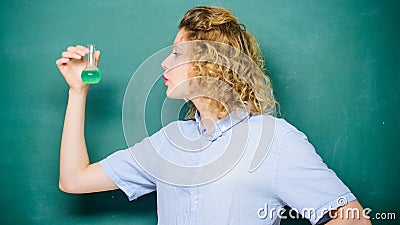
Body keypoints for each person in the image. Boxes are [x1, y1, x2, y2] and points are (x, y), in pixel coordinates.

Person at [56, 6, 371, 225]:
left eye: (177, 53)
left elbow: (351, 217)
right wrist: (77, 92)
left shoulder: (275, 141)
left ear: (212, 63)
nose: (164, 64)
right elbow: (73, 180)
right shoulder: (170, 142)